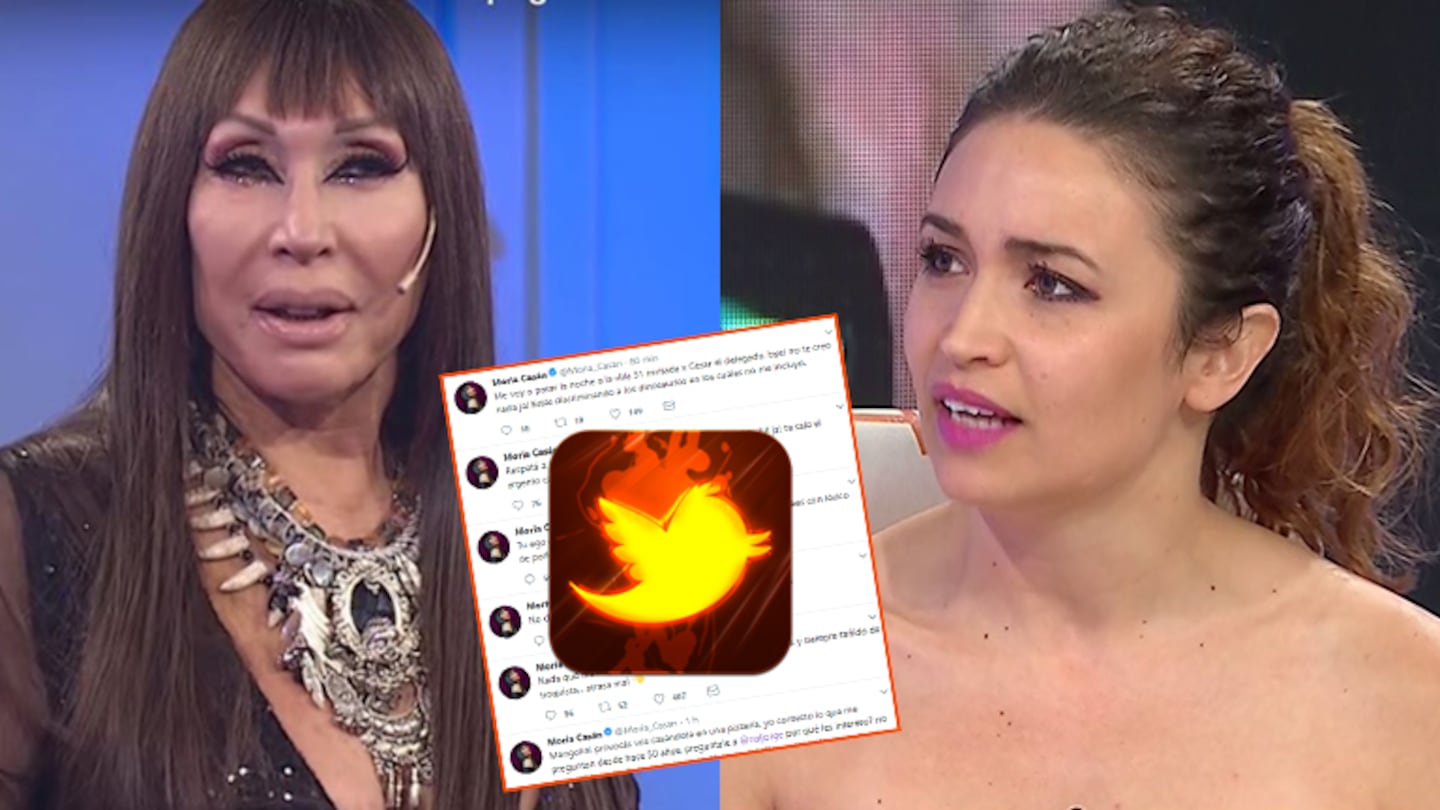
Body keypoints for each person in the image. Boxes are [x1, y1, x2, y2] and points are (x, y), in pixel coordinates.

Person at [722, 5, 1440, 808]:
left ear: (1222, 353)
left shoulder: (1406, 701)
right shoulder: (756, 651)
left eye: (1053, 285)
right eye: (944, 259)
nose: (964, 336)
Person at [0, 2, 639, 809]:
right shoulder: (37, 524)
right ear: (173, 209)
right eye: (246, 165)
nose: (302, 231)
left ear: (438, 217)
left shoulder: (559, 528)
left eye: (361, 166)